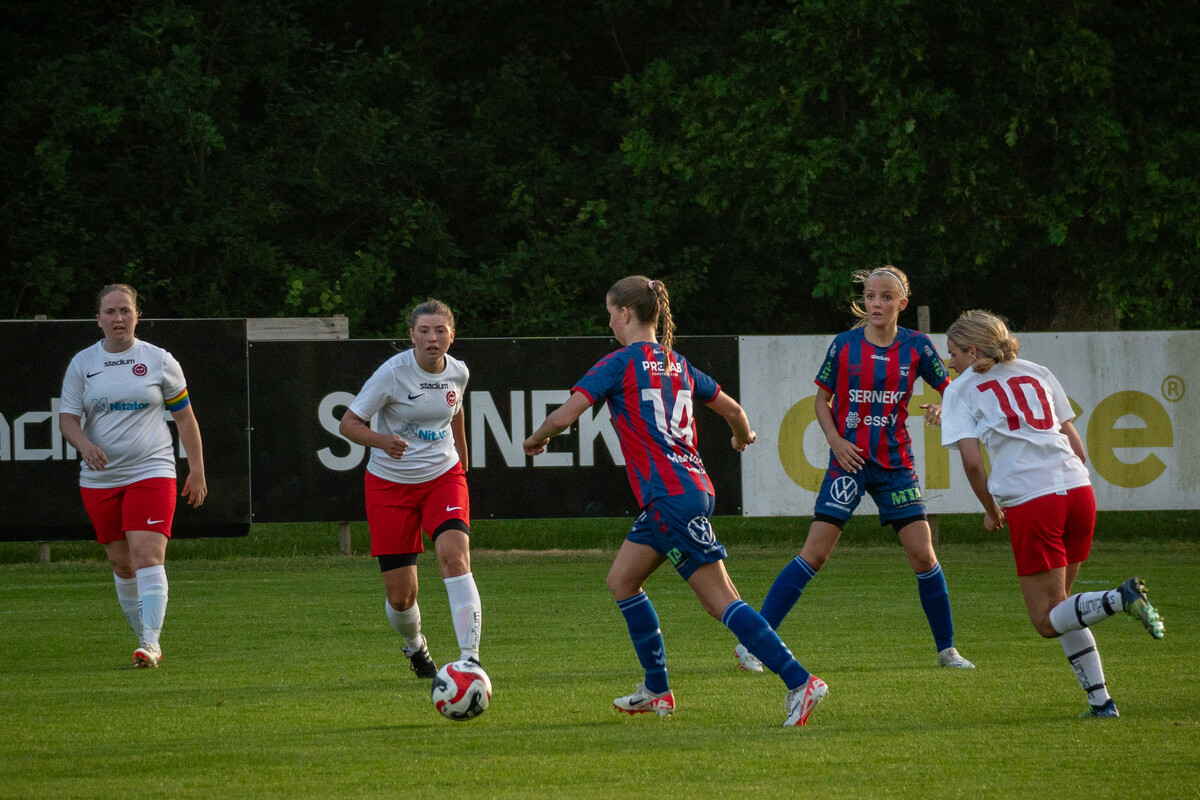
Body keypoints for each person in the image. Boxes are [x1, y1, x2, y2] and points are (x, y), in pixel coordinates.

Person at [523, 276, 828, 727]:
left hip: (671, 498)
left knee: (720, 601)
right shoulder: (677, 364)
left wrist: (536, 438)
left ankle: (800, 682)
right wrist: (742, 437)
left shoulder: (619, 363)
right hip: (687, 491)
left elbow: (565, 415)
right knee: (622, 580)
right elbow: (734, 411)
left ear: (626, 313)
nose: (610, 322)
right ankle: (657, 690)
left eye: (610, 313)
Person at [746, 265, 973, 672]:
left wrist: (944, 405)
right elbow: (821, 401)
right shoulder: (844, 345)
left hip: (895, 464)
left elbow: (955, 390)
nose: (876, 304)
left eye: (885, 297)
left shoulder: (917, 346)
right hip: (848, 463)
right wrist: (836, 441)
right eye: (870, 296)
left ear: (902, 303)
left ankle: (948, 650)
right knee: (814, 554)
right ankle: (753, 645)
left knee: (923, 556)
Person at [940, 309, 1164, 718]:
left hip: (1033, 501)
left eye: (953, 353)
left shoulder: (961, 390)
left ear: (972, 351)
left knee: (1046, 620)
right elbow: (1076, 447)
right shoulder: (1037, 371)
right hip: (1078, 491)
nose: (949, 361)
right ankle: (1101, 703)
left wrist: (991, 509)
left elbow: (972, 463)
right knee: (1063, 608)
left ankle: (1120, 598)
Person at [59, 283, 207, 668]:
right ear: (98, 319)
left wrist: (196, 470)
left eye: (125, 310)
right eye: (110, 312)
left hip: (152, 470)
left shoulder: (159, 360)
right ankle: (144, 637)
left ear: (137, 315)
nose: (118, 318)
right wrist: (85, 446)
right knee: (121, 564)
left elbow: (185, 418)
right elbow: (67, 419)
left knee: (147, 555)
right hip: (101, 479)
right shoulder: (83, 364)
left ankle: (151, 644)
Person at [339, 299, 482, 680]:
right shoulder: (392, 373)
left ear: (452, 335)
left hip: (443, 477)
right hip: (390, 485)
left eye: (440, 331)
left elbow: (456, 410)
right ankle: (415, 645)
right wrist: (381, 441)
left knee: (455, 557)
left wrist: (462, 455)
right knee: (401, 598)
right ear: (412, 336)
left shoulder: (459, 372)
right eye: (424, 331)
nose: (432, 338)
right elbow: (348, 424)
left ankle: (470, 660)